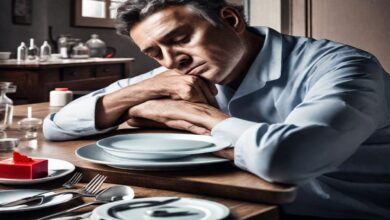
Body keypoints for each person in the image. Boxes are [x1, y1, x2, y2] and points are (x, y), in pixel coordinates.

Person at [43, 0, 390, 219]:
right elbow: (56, 126)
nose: (171, 60)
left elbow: (287, 160)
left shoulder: (344, 67)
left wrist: (202, 116)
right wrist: (146, 89)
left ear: (230, 19)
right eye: (154, 53)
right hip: (228, 204)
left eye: (180, 38)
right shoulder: (175, 72)